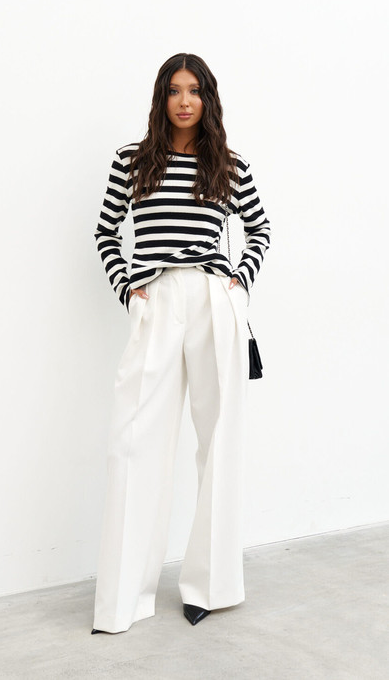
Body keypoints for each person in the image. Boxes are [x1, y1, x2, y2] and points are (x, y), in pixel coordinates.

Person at [91, 52, 271, 634]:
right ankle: (123, 598)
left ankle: (210, 588)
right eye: (174, 90)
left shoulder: (229, 165)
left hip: (214, 300)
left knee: (217, 441)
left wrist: (239, 282)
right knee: (134, 440)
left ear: (208, 98)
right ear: (161, 98)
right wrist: (128, 288)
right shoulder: (132, 161)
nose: (185, 100)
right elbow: (105, 231)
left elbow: (260, 229)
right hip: (157, 298)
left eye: (194, 90)